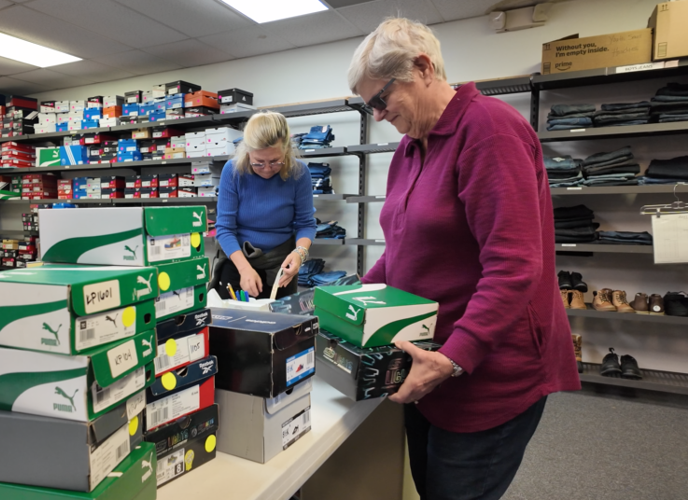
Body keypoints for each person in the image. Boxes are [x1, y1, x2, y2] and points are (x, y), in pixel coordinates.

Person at [347, 17, 581, 500]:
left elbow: (514, 267)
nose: (377, 116)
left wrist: (452, 359)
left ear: (423, 68)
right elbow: (401, 252)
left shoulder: (490, 131)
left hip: (487, 371)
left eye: (380, 100)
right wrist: (348, 299)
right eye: (366, 105)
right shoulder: (410, 150)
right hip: (429, 362)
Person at [211, 111, 316, 300]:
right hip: (237, 263)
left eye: (275, 161)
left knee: (280, 325)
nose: (267, 169)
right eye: (258, 162)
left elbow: (306, 224)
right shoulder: (233, 171)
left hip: (281, 267)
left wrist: (300, 253)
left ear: (286, 150)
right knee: (235, 327)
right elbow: (224, 228)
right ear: (247, 152)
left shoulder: (299, 172)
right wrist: (244, 269)